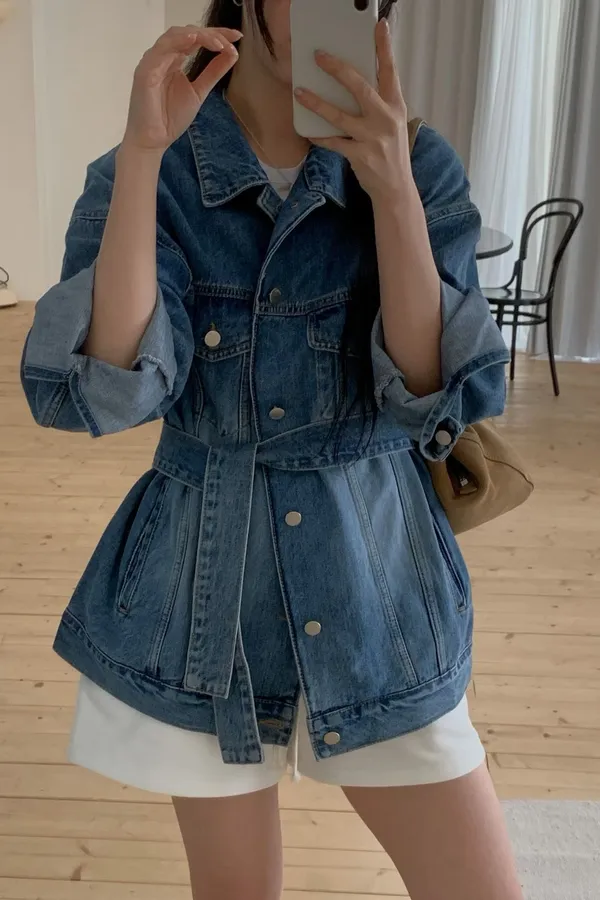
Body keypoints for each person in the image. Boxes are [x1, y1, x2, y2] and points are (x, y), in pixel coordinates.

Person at [21, 1, 524, 898]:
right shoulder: (153, 163)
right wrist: (142, 159)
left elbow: (431, 394)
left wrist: (393, 192)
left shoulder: (416, 160)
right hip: (202, 593)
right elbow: (112, 387)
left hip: (377, 583)